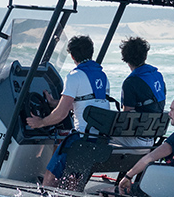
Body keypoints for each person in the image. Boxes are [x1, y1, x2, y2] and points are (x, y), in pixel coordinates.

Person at [26, 35, 111, 187]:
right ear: (91, 52)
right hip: (100, 139)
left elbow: (61, 114)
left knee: (50, 176)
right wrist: (54, 102)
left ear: (72, 56)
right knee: (74, 176)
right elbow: (88, 103)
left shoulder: (74, 76)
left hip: (81, 139)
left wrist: (40, 123)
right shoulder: (103, 76)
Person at [118, 92, 174, 195]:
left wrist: (128, 176)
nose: (169, 114)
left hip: (172, 192)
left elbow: (150, 158)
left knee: (107, 191)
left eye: (172, 110)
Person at [115, 36, 166, 148]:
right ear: (145, 55)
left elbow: (127, 116)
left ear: (125, 58)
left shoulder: (130, 82)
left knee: (95, 134)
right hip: (152, 138)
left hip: (137, 140)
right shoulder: (157, 75)